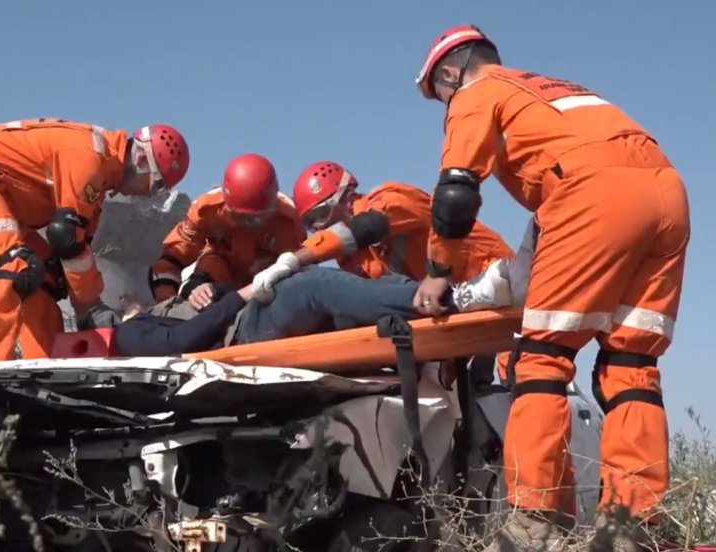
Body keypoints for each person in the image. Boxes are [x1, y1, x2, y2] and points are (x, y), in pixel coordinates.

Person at [412, 25, 690, 549]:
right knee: (632, 363)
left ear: (450, 72)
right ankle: (634, 524)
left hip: (591, 192)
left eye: (439, 95)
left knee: (542, 355)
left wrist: (438, 272)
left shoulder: (478, 91)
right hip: (666, 193)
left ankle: (536, 522)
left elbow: (456, 193)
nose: (444, 105)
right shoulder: (555, 94)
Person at [0, 118, 190, 362]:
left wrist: (87, 307)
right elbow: (65, 236)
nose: (149, 195)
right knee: (16, 267)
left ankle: (43, 365)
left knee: (49, 276)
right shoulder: (89, 157)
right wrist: (90, 308)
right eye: (156, 185)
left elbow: (77, 251)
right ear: (141, 160)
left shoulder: (102, 177)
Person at [248, 160, 514, 306]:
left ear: (347, 197)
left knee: (519, 364)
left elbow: (368, 227)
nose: (319, 227)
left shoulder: (391, 197)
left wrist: (292, 260)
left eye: (321, 215)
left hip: (494, 275)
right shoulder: (356, 259)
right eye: (310, 223)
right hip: (450, 301)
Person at [115, 266, 436, 357]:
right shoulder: (129, 332)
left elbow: (212, 309)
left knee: (343, 297)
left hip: (245, 319)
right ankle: (427, 299)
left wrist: (213, 290)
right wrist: (239, 295)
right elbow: (180, 342)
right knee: (315, 286)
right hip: (243, 332)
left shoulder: (157, 313)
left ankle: (421, 293)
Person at [148, 153, 306, 303]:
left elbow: (300, 273)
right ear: (226, 202)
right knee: (213, 262)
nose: (248, 225)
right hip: (217, 277)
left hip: (266, 288)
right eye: (240, 217)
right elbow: (173, 257)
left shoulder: (290, 221)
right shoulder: (207, 209)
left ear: (273, 208)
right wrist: (168, 301)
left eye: (256, 219)